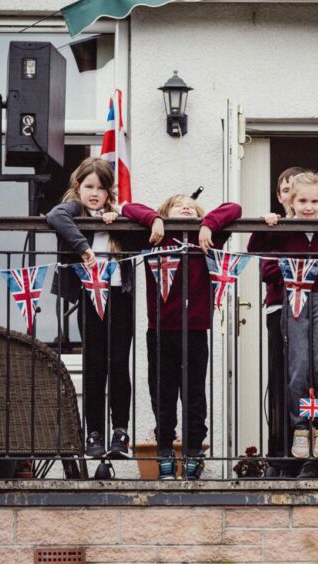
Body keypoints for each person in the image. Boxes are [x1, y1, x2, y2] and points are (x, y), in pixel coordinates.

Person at [123, 195, 242, 479]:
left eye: (191, 204)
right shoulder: (155, 237)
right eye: (178, 205)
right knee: (162, 394)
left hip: (196, 331)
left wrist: (208, 225)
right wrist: (154, 220)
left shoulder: (207, 238)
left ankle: (192, 452)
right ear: (165, 213)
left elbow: (234, 208)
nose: (186, 207)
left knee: (194, 395)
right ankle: (165, 450)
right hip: (161, 331)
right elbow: (128, 207)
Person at [247, 172, 318, 462]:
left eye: (314, 201)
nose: (308, 207)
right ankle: (300, 426)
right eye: (302, 201)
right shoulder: (285, 228)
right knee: (298, 365)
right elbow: (255, 250)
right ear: (289, 200)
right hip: (294, 298)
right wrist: (265, 226)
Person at [47, 157, 136, 460]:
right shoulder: (74, 209)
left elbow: (146, 217)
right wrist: (84, 248)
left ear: (110, 191)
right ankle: (94, 434)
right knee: (94, 364)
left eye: (101, 188)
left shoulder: (118, 213)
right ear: (78, 187)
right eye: (89, 186)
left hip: (119, 296)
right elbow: (56, 216)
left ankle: (120, 433)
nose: (95, 193)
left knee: (119, 363)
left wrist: (118, 216)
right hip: (89, 293)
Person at [261, 166, 304, 477]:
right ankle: (280, 455)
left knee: (307, 381)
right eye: (287, 190)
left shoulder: (317, 229)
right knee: (280, 382)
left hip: (311, 311)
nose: (292, 196)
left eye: (298, 190)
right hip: (279, 309)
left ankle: (310, 449)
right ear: (280, 196)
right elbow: (266, 272)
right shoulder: (273, 227)